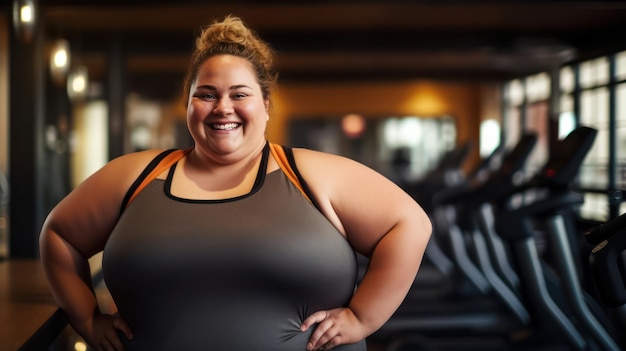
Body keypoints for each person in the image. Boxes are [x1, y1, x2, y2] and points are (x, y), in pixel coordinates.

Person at [39, 15, 432, 351]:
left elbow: (410, 224)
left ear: (265, 105)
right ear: (188, 105)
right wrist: (88, 320)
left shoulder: (315, 175)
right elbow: (59, 234)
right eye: (206, 94)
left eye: (239, 94)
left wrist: (363, 317)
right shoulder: (133, 176)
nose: (222, 107)